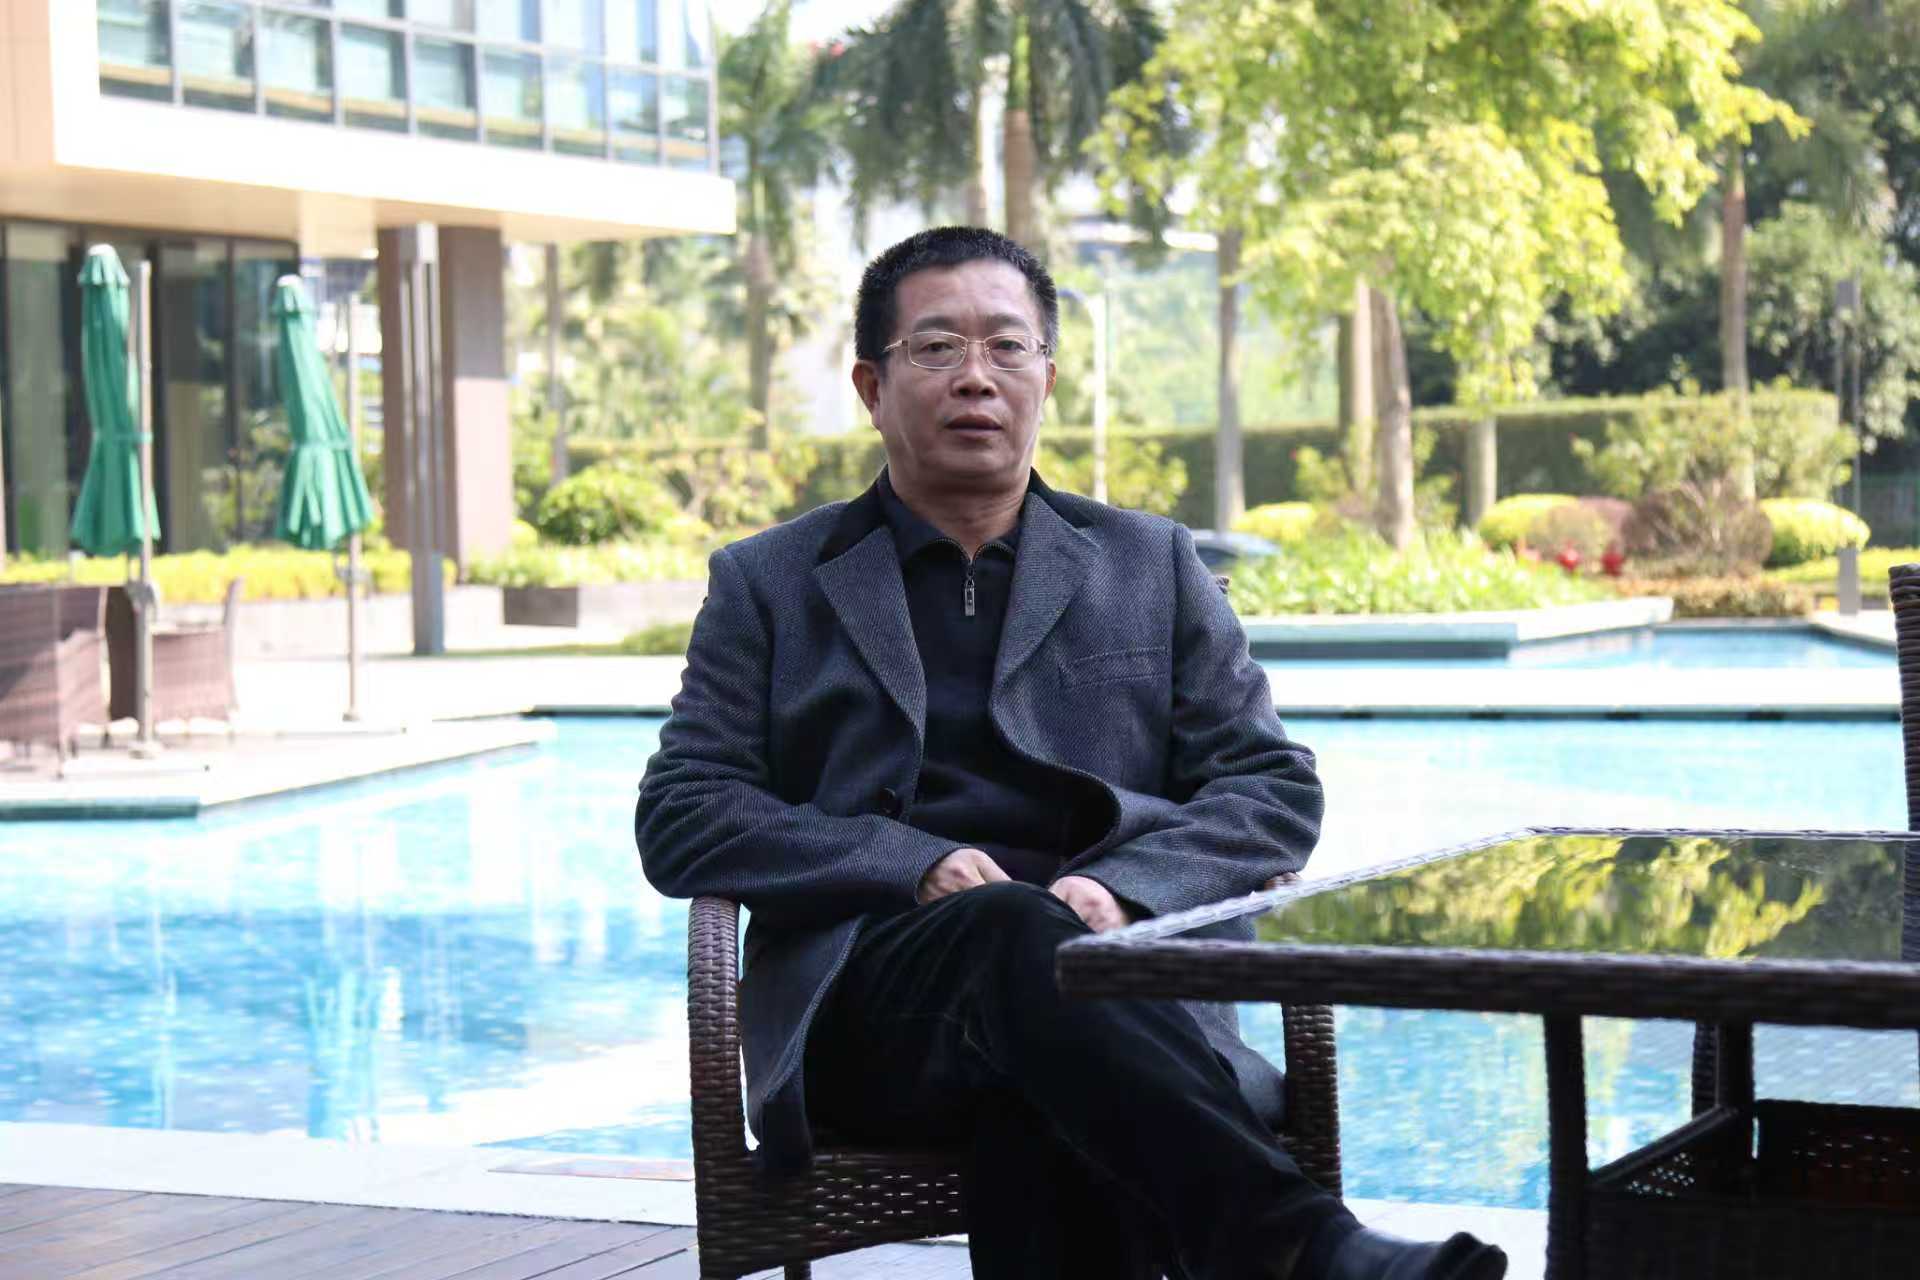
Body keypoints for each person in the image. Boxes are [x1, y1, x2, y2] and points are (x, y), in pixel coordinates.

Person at [636, 227, 1505, 1280]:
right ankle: (1302, 1247)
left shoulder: (1150, 563)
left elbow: (1270, 786)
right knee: (1013, 933)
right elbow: (682, 810)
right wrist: (909, 862)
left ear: (1046, 376)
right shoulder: (771, 581)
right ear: (872, 386)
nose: (977, 377)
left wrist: (1124, 889)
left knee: (1044, 1088)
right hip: (876, 1015)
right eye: (937, 347)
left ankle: (1293, 1246)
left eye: (1008, 346)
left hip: (1117, 1000)